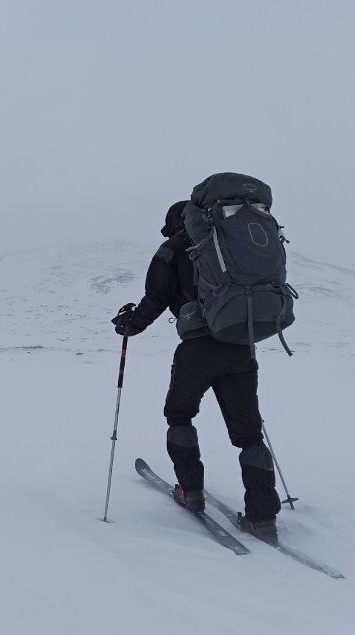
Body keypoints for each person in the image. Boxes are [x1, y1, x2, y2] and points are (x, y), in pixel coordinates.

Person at [111, 198, 283, 540]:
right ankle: (262, 519)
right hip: (240, 348)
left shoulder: (172, 250)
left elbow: (156, 299)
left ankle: (191, 493)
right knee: (249, 433)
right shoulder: (230, 249)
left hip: (198, 349)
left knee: (179, 415)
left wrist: (130, 325)